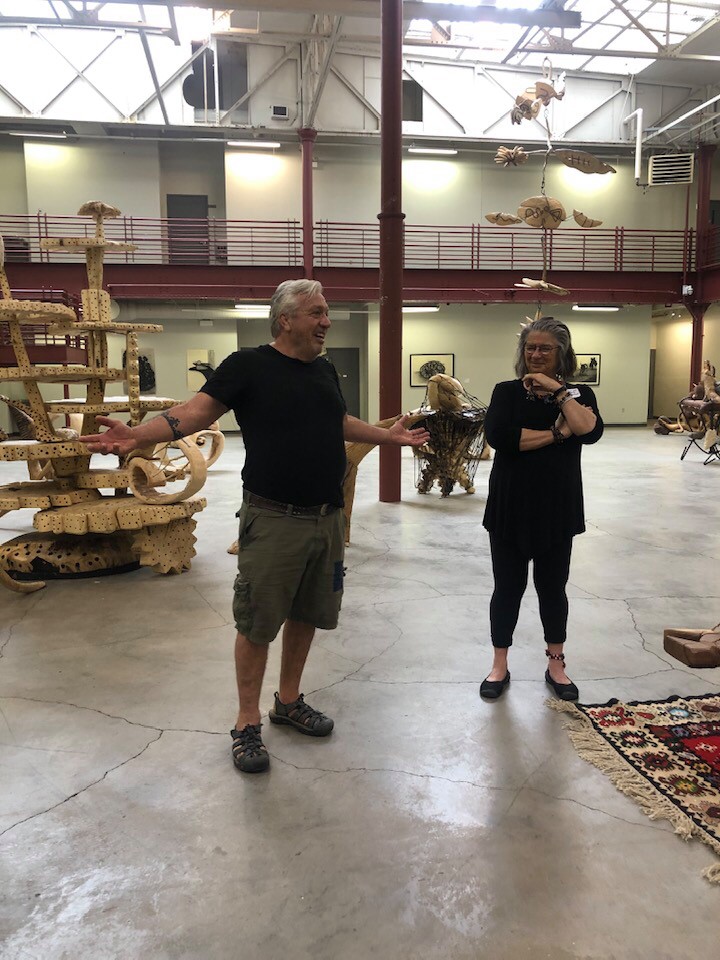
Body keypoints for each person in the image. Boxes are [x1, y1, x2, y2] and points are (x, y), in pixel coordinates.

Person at [80, 279, 430, 773]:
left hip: (327, 518)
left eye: (326, 312)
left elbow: (336, 421)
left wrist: (386, 436)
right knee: (258, 622)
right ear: (285, 319)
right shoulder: (247, 366)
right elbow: (193, 413)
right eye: (316, 313)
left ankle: (288, 701)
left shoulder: (324, 369)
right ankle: (247, 722)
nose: (327, 321)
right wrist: (136, 434)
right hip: (273, 518)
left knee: (308, 613)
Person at [480, 316, 603, 702]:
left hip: (557, 507)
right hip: (510, 506)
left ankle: (556, 666)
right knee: (507, 588)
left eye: (544, 348)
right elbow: (501, 438)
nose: (535, 354)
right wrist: (557, 433)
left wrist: (560, 394)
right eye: (530, 347)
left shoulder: (579, 394)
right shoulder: (506, 392)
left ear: (561, 354)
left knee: (553, 589)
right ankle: (499, 665)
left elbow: (590, 431)